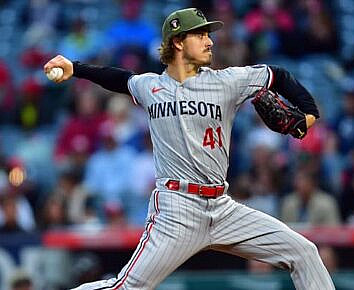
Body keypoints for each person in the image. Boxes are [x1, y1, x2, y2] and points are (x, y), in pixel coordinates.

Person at [44, 8, 335, 290]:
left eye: (209, 34)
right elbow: (118, 78)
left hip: (223, 207)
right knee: (128, 286)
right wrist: (75, 69)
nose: (210, 41)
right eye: (201, 35)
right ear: (179, 42)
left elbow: (278, 75)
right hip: (176, 210)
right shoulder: (151, 86)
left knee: (305, 253)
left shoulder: (227, 82)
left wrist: (309, 115)